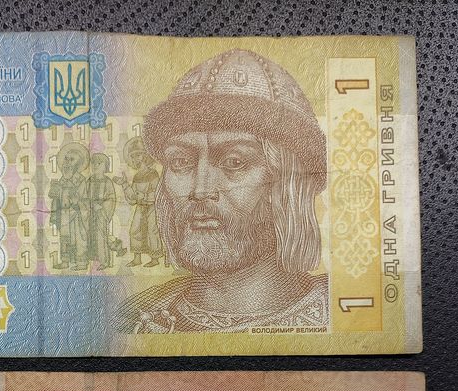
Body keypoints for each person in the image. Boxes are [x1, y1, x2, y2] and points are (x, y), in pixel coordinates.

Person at [118, 49, 330, 333]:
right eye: (180, 162)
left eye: (234, 162)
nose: (200, 189)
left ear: (288, 184)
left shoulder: (335, 313)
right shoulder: (131, 318)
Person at [112, 137, 163, 268]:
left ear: (145, 156)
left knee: (152, 230)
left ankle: (155, 258)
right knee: (135, 230)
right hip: (140, 207)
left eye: (138, 155)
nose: (135, 159)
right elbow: (132, 199)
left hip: (152, 207)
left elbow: (157, 194)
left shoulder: (153, 173)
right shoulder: (136, 176)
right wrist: (124, 184)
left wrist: (144, 196)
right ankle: (137, 259)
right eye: (133, 156)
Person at [48, 142, 89, 270]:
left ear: (78, 164)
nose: (67, 163)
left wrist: (76, 201)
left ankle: (81, 263)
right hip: (64, 215)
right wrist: (54, 190)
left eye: (71, 160)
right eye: (66, 159)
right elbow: (55, 197)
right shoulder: (62, 179)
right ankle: (65, 262)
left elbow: (85, 200)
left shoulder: (81, 180)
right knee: (65, 239)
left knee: (78, 239)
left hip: (77, 216)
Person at [85, 152, 118, 269]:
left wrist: (101, 206)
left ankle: (104, 261)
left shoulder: (107, 181)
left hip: (101, 213)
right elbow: (85, 196)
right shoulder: (89, 180)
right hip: (90, 212)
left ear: (105, 166)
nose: (95, 165)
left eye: (99, 163)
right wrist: (89, 205)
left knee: (100, 236)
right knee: (90, 234)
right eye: (94, 163)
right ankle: (94, 256)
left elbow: (112, 198)